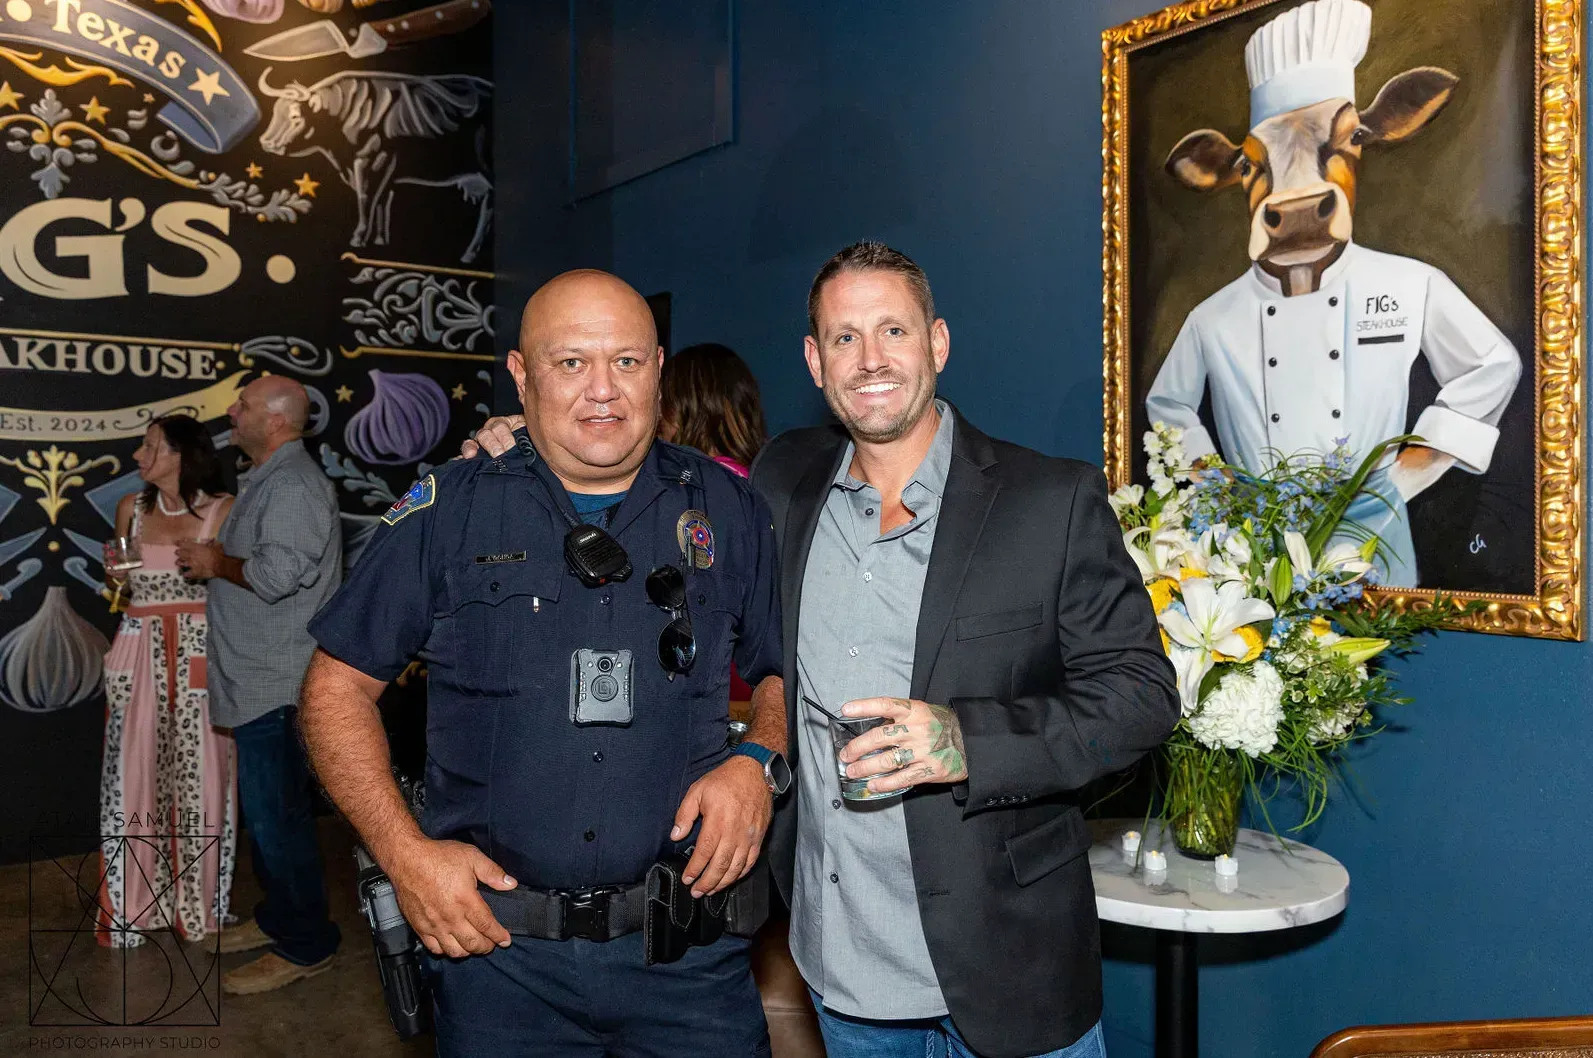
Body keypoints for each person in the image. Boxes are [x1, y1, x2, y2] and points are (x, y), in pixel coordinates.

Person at [301, 269, 790, 1056]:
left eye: (626, 362)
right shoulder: (450, 510)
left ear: (659, 369)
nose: (603, 390)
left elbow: (778, 670)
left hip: (687, 959)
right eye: (571, 363)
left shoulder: (727, 510)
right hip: (498, 960)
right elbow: (334, 691)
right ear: (522, 376)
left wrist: (758, 759)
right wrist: (404, 854)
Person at [750, 242, 1178, 1058]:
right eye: (843, 338)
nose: (870, 360)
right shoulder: (783, 481)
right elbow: (671, 494)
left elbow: (1140, 695)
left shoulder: (1050, 501)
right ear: (813, 361)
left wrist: (963, 742)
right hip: (841, 968)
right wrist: (531, 449)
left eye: (893, 332)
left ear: (937, 343)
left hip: (1005, 965)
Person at [175, 375, 343, 995]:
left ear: (274, 419)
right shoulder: (271, 479)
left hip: (280, 685)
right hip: (258, 680)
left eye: (241, 404)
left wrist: (216, 561)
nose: (230, 411)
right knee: (272, 821)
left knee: (281, 823)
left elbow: (276, 576)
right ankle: (279, 919)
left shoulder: (294, 484)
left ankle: (307, 945)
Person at [97, 415, 236, 948]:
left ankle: (195, 907)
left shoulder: (223, 511)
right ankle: (136, 905)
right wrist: (116, 576)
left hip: (201, 654)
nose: (137, 455)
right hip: (137, 650)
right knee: (134, 777)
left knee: (203, 778)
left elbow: (237, 584)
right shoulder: (130, 510)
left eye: (150, 445)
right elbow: (120, 582)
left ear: (180, 453)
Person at [660, 341, 770, 701]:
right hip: (755, 682)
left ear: (685, 408)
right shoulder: (763, 481)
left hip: (715, 687)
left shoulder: (700, 495)